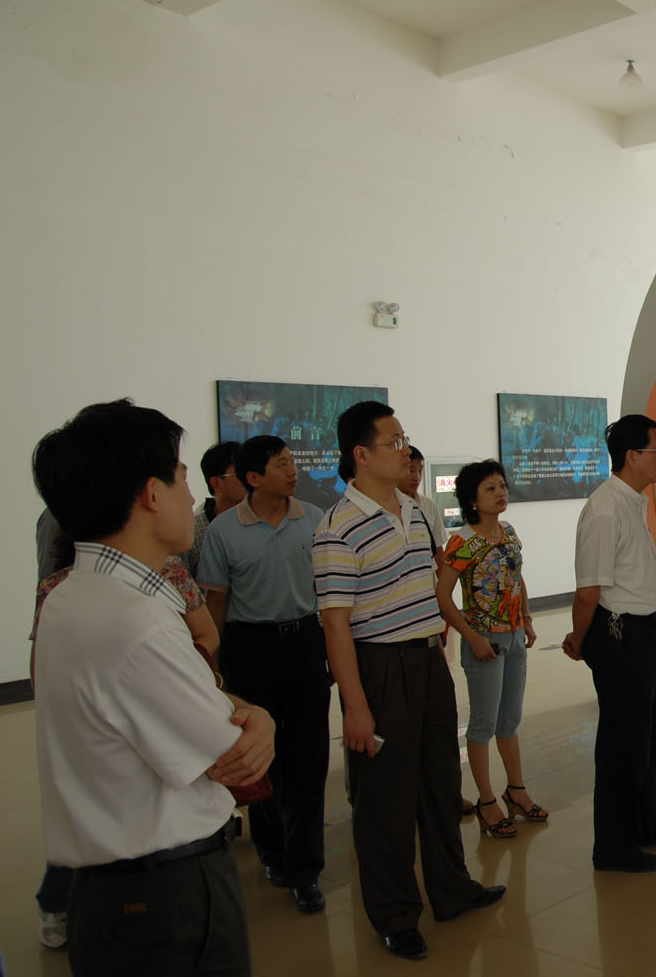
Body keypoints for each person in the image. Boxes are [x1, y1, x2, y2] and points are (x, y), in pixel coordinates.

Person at [30, 399, 275, 976]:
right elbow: (234, 758)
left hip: (114, 891)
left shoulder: (74, 593)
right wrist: (258, 717)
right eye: (182, 478)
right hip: (164, 897)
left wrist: (232, 705)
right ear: (150, 494)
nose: (190, 498)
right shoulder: (131, 619)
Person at [313, 401, 504, 961]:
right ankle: (395, 915)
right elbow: (335, 625)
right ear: (361, 454)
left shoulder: (417, 513)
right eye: (394, 442)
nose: (405, 451)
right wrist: (355, 706)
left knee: (440, 783)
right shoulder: (336, 528)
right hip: (380, 666)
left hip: (427, 661)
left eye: (405, 440)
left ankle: (452, 888)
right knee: (386, 801)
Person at [30, 523, 220, 950]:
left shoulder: (171, 573)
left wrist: (187, 678)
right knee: (92, 812)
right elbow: (43, 670)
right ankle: (55, 901)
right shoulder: (59, 590)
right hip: (101, 736)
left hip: (169, 714)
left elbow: (206, 634)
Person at [197, 435, 330, 914]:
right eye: (281, 464)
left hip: (306, 641)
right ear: (253, 478)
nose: (293, 471)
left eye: (292, 461)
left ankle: (305, 870)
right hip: (249, 648)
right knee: (261, 757)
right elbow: (216, 601)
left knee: (309, 758)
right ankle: (272, 851)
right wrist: (213, 666)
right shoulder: (224, 531)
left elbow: (330, 591)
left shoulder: (313, 519)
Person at [562, 415, 656, 873]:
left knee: (649, 735)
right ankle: (614, 846)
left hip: (642, 634)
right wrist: (579, 639)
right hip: (620, 636)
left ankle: (648, 822)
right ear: (632, 456)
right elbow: (588, 591)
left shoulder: (632, 502)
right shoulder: (604, 510)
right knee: (624, 743)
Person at [435, 460, 544, 839]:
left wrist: (526, 618)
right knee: (483, 724)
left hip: (514, 638)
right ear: (471, 499)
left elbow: (516, 577)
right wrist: (471, 637)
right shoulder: (463, 541)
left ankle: (516, 789)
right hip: (485, 642)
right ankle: (486, 800)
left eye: (502, 486)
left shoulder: (508, 532)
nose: (500, 493)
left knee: (509, 720)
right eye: (490, 488)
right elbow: (442, 596)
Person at [183, 440, 247, 578]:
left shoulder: (267, 524)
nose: (251, 479)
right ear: (216, 483)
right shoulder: (193, 534)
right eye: (241, 473)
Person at [399, 445, 447, 549]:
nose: (417, 477)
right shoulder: (388, 505)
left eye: (420, 470)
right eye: (411, 470)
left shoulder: (429, 505)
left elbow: (438, 548)